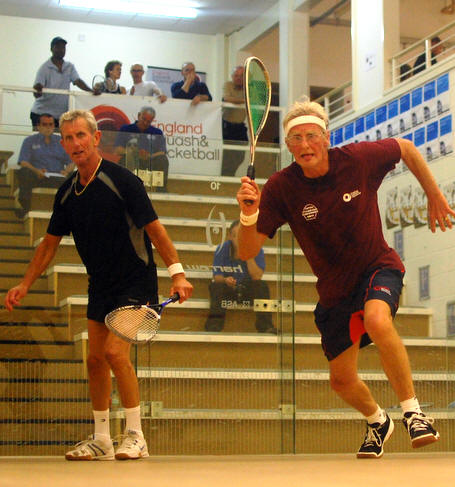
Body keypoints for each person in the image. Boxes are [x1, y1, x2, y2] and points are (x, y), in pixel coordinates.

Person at [236, 97, 455, 459]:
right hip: (335, 291)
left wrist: (433, 194)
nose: (305, 144)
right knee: (341, 381)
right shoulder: (280, 187)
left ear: (326, 137)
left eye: (312, 136)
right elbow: (247, 251)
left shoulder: (357, 159)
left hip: (377, 266)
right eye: (297, 139)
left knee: (377, 319)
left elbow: (405, 147)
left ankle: (414, 413)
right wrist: (248, 213)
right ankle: (378, 421)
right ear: (289, 146)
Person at [4, 109, 193, 461]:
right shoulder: (66, 193)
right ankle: (102, 439)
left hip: (135, 281)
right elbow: (48, 245)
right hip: (101, 285)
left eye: (81, 135)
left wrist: (178, 273)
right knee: (94, 360)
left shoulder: (123, 181)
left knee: (115, 353)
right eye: (68, 137)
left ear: (95, 138)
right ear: (63, 144)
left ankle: (136, 435)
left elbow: (154, 229)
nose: (75, 143)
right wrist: (25, 284)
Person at [205, 220, 276, 334]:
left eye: (242, 236)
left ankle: (265, 326)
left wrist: (247, 253)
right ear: (230, 236)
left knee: (262, 286)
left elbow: (257, 276)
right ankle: (214, 325)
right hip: (228, 290)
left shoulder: (256, 249)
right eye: (235, 236)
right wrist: (225, 280)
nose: (239, 239)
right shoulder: (222, 249)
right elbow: (216, 276)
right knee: (216, 286)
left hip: (247, 290)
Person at [31, 37, 96, 129]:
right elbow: (37, 91)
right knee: (41, 138)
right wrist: (38, 90)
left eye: (63, 47)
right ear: (51, 49)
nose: (61, 50)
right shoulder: (44, 68)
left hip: (61, 115)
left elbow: (77, 81)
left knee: (60, 138)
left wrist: (91, 91)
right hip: (42, 114)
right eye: (58, 47)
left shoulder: (69, 66)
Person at [16, 113, 73, 217]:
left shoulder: (62, 142)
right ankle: (25, 207)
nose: (48, 127)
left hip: (58, 178)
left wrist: (67, 171)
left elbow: (72, 162)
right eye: (44, 124)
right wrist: (36, 171)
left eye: (51, 124)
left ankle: (72, 212)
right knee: (24, 172)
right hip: (38, 177)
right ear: (38, 126)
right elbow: (23, 162)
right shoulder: (29, 141)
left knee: (76, 175)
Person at [115, 106, 169, 192]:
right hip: (132, 161)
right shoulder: (126, 129)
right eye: (144, 119)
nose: (145, 123)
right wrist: (133, 152)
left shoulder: (157, 132)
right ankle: (123, 189)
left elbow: (162, 152)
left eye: (149, 121)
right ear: (138, 115)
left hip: (149, 162)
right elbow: (118, 150)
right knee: (124, 160)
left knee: (163, 159)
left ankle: (161, 189)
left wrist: (149, 156)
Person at [221, 66, 248, 176]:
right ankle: (225, 177)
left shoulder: (249, 88)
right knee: (226, 155)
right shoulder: (228, 85)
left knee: (240, 156)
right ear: (232, 77)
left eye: (242, 75)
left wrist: (240, 101)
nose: (239, 78)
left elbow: (252, 99)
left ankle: (230, 174)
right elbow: (226, 98)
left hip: (240, 126)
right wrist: (244, 100)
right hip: (227, 126)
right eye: (236, 75)